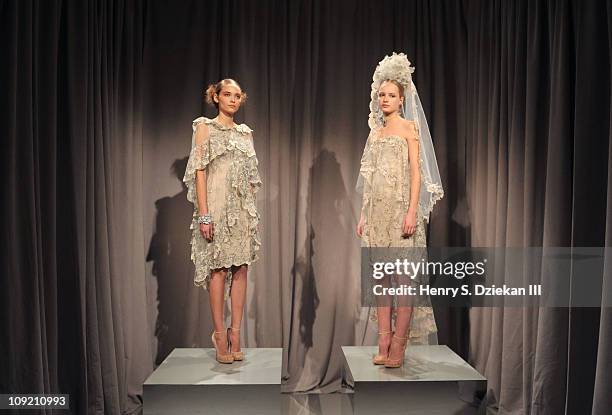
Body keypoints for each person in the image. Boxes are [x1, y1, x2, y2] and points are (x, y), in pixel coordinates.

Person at [356, 53, 444, 368]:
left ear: (401, 97)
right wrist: (364, 214)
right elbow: (368, 175)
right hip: (377, 214)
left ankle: (399, 343)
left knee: (403, 280)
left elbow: (417, 173)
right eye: (381, 94)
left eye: (391, 95)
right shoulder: (375, 132)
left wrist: (411, 212)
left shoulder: (408, 128)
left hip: (401, 214)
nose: (385, 99)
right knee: (381, 278)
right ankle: (383, 337)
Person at [183, 78, 262, 363]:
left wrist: (249, 212)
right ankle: (219, 334)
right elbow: (199, 171)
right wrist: (204, 213)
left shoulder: (245, 133)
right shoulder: (205, 127)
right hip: (215, 208)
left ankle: (236, 334)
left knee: (241, 269)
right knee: (218, 270)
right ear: (216, 97)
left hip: (241, 210)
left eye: (237, 95)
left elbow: (252, 177)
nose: (232, 99)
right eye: (227, 94)